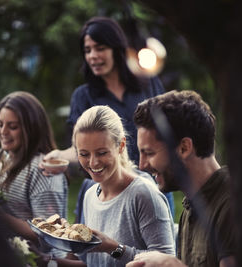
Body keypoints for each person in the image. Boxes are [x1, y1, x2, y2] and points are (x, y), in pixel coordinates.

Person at [41, 16, 175, 220]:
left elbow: (168, 132)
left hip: (152, 186)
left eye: (100, 48)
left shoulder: (148, 83)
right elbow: (79, 149)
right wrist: (60, 156)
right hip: (105, 193)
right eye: (87, 50)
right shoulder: (83, 96)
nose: (93, 56)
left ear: (117, 48)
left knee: (156, 250)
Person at [128, 90, 236, 267]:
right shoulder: (190, 207)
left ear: (184, 148)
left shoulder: (233, 205)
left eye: (149, 153)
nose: (142, 165)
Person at [73, 105, 176, 266]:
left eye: (102, 153)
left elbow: (167, 261)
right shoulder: (90, 195)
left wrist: (114, 248)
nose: (93, 162)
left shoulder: (143, 194)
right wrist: (49, 260)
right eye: (84, 154)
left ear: (120, 146)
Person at [0, 91, 68, 259]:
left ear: (31, 128)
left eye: (13, 126)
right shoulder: (4, 156)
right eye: (0, 124)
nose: (3, 131)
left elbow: (49, 237)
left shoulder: (44, 171)